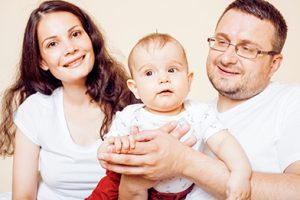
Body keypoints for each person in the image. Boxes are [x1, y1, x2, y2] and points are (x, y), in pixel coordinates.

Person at [98, 0, 300, 199]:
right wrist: (134, 181)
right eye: (221, 41)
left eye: (247, 48)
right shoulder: (198, 110)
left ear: (274, 64)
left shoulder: (290, 100)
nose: (227, 58)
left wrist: (184, 161)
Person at [87, 33, 251, 200]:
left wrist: (240, 172)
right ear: (134, 88)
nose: (163, 79)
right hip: (123, 184)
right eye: (149, 73)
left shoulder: (199, 113)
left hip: (176, 195)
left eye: (172, 70)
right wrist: (115, 147)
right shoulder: (130, 116)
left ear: (189, 80)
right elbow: (106, 150)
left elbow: (224, 142)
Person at [0, 1, 138, 199]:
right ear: (41, 61)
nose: (70, 48)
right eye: (52, 44)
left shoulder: (130, 104)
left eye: (75, 34)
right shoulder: (35, 110)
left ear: (90, 38)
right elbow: (23, 196)